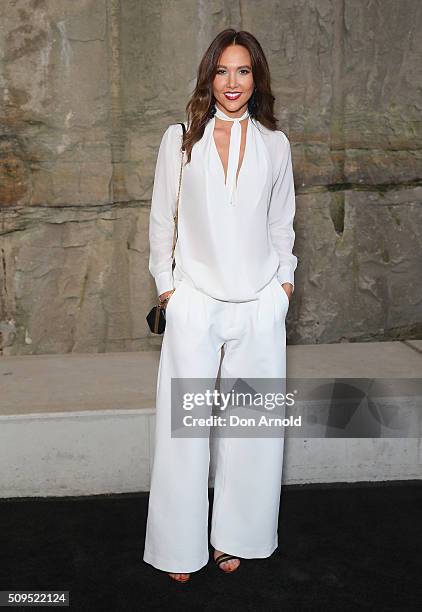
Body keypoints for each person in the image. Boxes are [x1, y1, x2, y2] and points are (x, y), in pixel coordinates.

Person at [143, 28, 298, 583]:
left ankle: (237, 537)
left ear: (256, 79)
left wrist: (283, 288)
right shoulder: (180, 140)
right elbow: (163, 220)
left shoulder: (276, 145)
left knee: (251, 429)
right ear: (210, 76)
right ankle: (178, 547)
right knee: (184, 432)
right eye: (223, 71)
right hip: (196, 303)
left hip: (258, 304)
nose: (233, 82)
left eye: (244, 71)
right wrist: (169, 290)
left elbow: (282, 224)